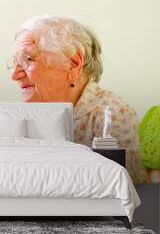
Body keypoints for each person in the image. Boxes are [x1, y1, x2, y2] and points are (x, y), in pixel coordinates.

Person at [9, 15, 147, 183]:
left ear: (73, 64)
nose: (14, 75)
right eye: (15, 62)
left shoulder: (114, 114)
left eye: (28, 59)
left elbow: (122, 189)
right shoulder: (29, 113)